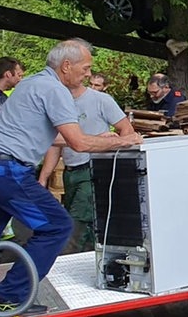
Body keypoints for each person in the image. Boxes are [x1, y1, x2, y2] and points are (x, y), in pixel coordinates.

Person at [0, 40, 142, 313]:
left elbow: (53, 136)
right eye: (86, 68)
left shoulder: (30, 85)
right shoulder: (56, 90)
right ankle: (10, 296)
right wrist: (123, 142)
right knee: (56, 226)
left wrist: (99, 138)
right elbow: (78, 143)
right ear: (66, 66)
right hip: (6, 171)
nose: (88, 75)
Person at [39, 79, 134, 253]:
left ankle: (64, 261)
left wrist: (115, 156)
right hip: (70, 171)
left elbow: (126, 130)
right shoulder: (57, 104)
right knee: (85, 221)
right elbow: (55, 143)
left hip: (93, 168)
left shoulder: (101, 100)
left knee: (77, 222)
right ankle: (90, 259)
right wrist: (43, 177)